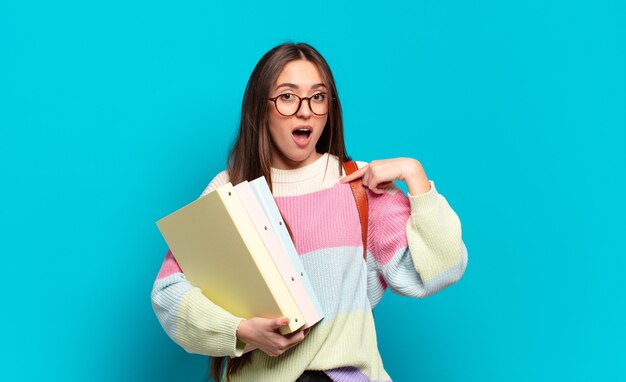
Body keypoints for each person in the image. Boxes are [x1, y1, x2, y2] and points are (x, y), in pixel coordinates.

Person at [152, 42, 468, 382]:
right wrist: (241, 330)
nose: (305, 111)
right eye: (287, 96)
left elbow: (442, 269)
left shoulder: (357, 184)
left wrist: (414, 174)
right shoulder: (229, 191)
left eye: (317, 97)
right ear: (261, 108)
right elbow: (169, 293)